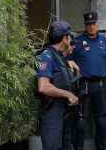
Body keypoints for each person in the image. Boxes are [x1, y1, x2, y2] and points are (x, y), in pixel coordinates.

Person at [68, 11, 106, 150]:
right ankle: (78, 147)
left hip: (100, 85)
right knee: (81, 121)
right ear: (85, 25)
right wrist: (70, 62)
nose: (91, 26)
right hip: (84, 85)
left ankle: (101, 147)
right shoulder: (76, 41)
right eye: (88, 24)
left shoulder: (105, 41)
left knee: (101, 121)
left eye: (93, 24)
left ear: (97, 24)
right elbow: (67, 58)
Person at [37, 21, 79, 150]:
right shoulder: (47, 56)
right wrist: (68, 94)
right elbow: (43, 86)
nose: (71, 40)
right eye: (70, 37)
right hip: (52, 111)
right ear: (65, 38)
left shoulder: (60, 57)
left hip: (64, 112)